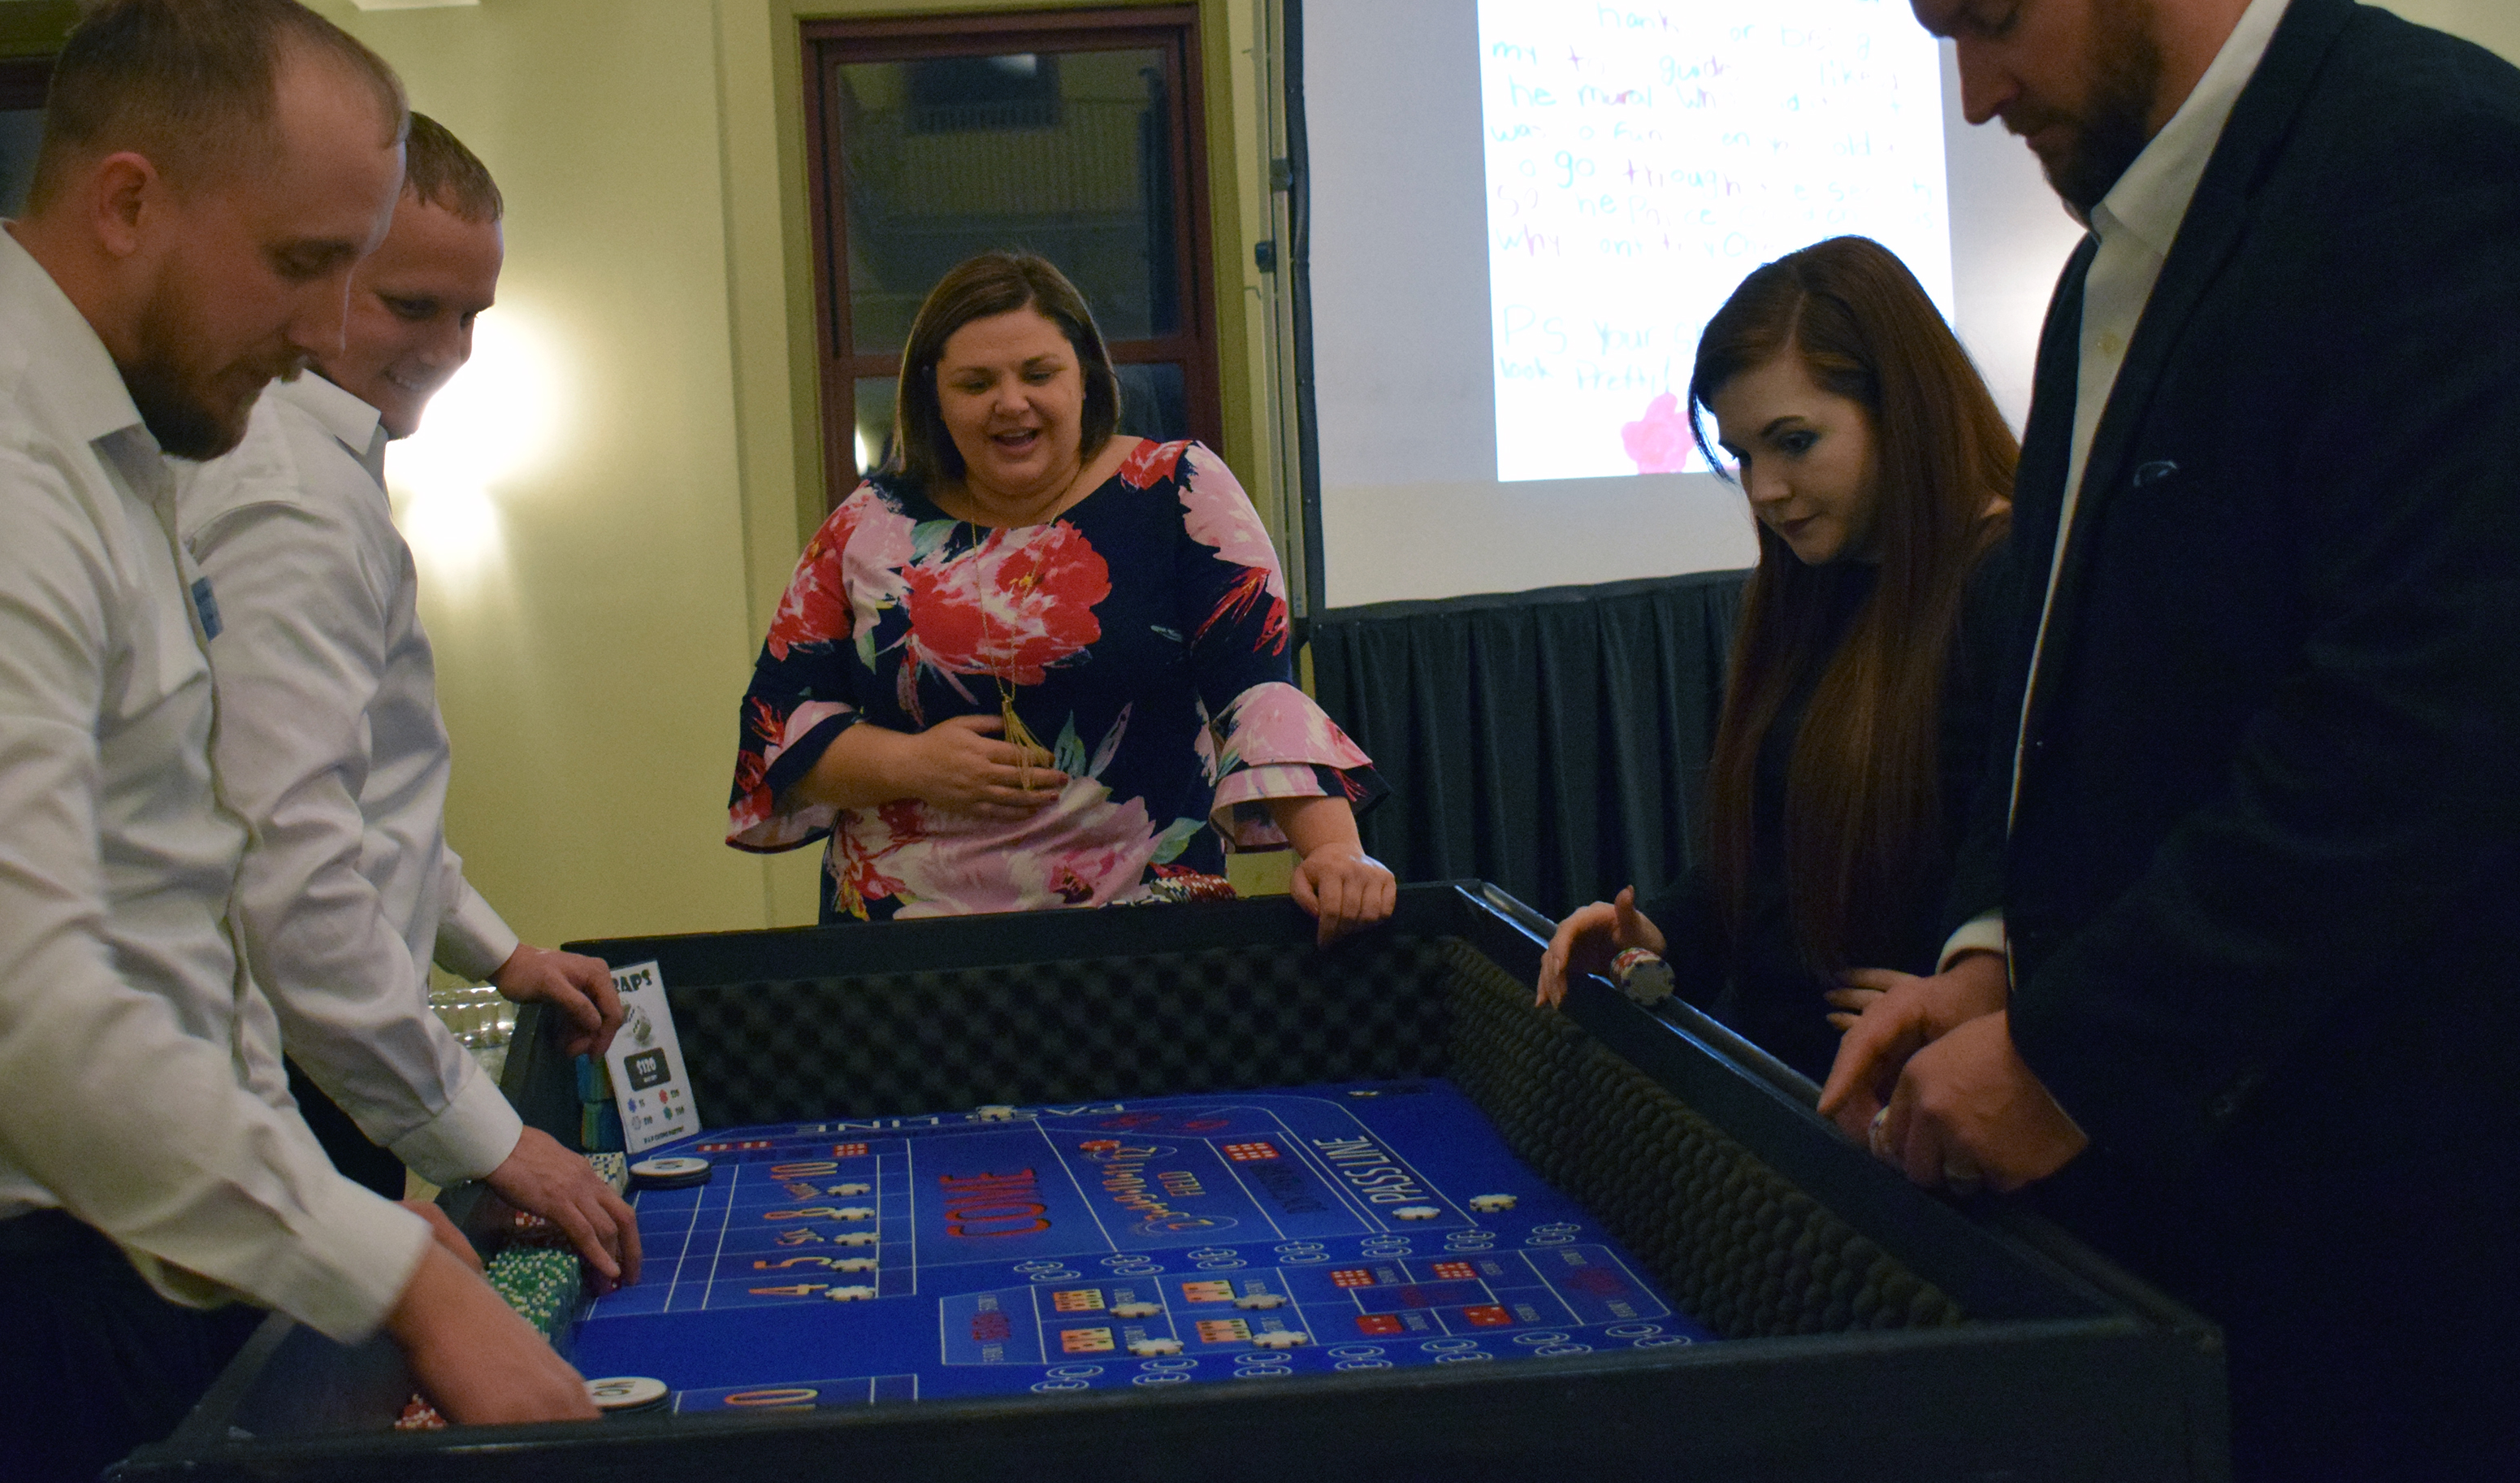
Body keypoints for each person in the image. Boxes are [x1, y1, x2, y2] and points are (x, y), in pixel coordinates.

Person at [0, 0, 595, 1483]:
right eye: (304, 266)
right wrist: (375, 1264)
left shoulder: (118, 444)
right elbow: (15, 995)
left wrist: (347, 1224)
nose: (329, 333)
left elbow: (179, 902)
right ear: (126, 201)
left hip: (64, 1250)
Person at [1814, 0, 2520, 1483]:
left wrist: (2070, 1046)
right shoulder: (2104, 265)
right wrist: (1986, 949)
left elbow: (2421, 722)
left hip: (2381, 1218)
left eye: (1989, 19)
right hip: (2175, 1209)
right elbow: (2053, 689)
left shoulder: (2434, 164)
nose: (1974, 95)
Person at [179, 113, 639, 1287]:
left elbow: (364, 789)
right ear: (318, 277)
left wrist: (494, 949)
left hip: (314, 1066)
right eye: (412, 307)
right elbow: (289, 869)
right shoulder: (284, 495)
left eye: (471, 312)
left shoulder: (324, 465)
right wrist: (493, 1144)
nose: (450, 347)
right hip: (283, 1079)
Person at [730, 250, 1394, 936]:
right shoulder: (868, 523)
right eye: (975, 382)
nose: (1010, 402)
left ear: (1085, 378)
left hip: (1142, 935)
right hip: (905, 947)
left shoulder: (1179, 490)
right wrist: (912, 763)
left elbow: (1258, 692)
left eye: (1038, 374)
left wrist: (1336, 851)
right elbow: (775, 731)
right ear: (933, 395)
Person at [1532, 239, 2023, 1082]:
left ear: (1901, 407)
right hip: (1796, 1091)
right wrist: (1653, 934)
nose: (1761, 490)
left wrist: (1973, 1011)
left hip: (1921, 1120)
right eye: (1744, 455)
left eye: (1792, 442)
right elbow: (1759, 872)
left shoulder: (2010, 580)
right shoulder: (1815, 586)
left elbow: (2049, 877)